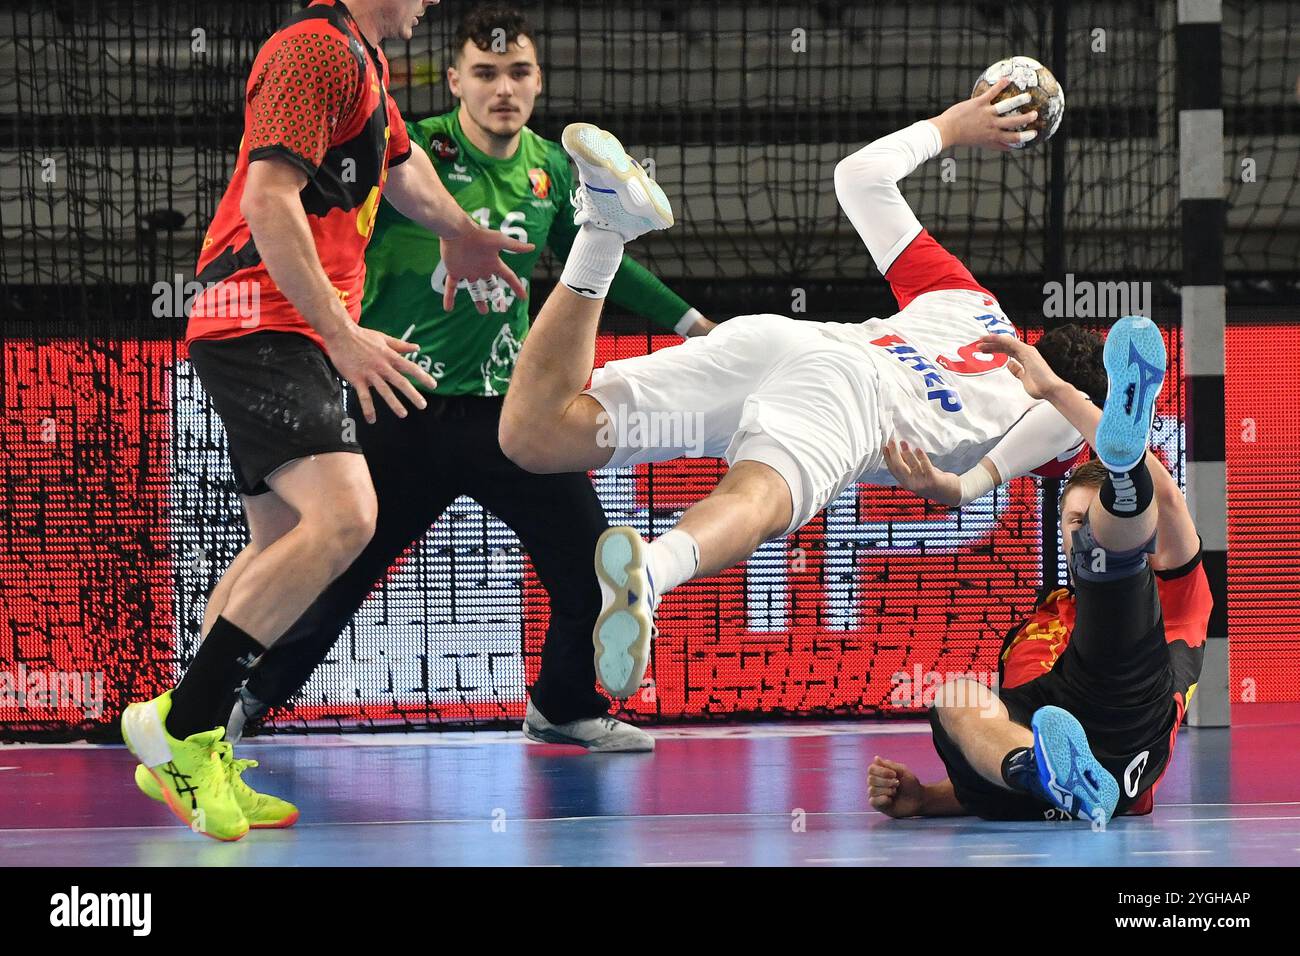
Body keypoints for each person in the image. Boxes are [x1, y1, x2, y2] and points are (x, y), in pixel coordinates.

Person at [498, 83, 1105, 700]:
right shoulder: (1057, 413)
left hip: (786, 342)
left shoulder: (971, 299)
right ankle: (650, 574)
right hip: (848, 400)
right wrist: (961, 487)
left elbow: (858, 178)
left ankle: (603, 226)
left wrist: (951, 126)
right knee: (759, 499)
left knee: (536, 436)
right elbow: (1071, 422)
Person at [221, 5, 712, 753]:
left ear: (538, 82)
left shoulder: (554, 170)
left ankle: (563, 706)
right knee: (334, 569)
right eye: (485, 74)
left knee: (590, 565)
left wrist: (693, 326)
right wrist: (324, 329)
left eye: (518, 73)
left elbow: (603, 258)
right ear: (454, 80)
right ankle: (237, 703)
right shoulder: (404, 147)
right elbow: (312, 213)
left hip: (510, 417)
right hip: (399, 402)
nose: (503, 89)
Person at [121, 0, 532, 842]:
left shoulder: (363, 65)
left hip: (283, 325)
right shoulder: (313, 52)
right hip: (264, 322)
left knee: (279, 545)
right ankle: (180, 727)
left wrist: (460, 232)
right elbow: (270, 199)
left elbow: (404, 165)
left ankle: (197, 750)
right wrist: (340, 336)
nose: (428, 4)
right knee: (349, 515)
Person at [867, 316, 1211, 826]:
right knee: (957, 698)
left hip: (1125, 730)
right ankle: (1041, 773)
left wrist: (1054, 390)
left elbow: (1167, 501)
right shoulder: (1037, 621)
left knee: (1110, 564)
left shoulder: (1174, 591)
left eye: (1088, 519)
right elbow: (999, 732)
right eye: (1072, 520)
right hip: (1023, 780)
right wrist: (926, 799)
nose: (1077, 531)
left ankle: (1122, 470)